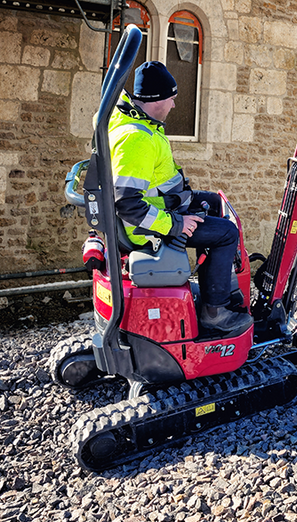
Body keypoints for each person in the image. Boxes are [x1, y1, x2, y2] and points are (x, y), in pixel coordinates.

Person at [108, 61, 253, 333]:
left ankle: (216, 287)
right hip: (147, 227)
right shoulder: (137, 139)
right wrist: (176, 224)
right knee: (227, 233)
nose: (174, 105)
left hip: (164, 205)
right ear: (157, 99)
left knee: (215, 203)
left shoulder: (137, 121)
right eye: (172, 99)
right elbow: (127, 204)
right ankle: (215, 312)